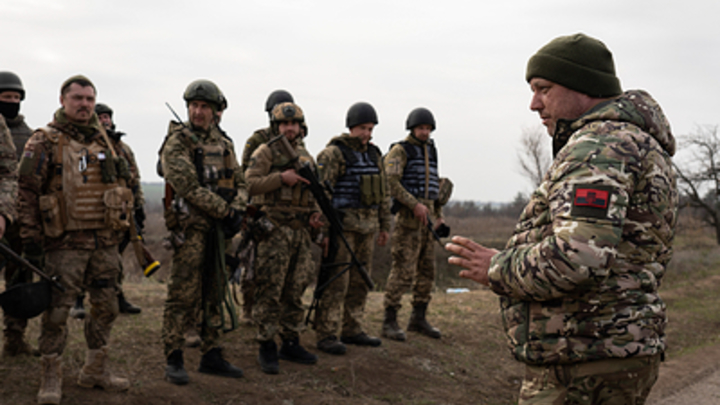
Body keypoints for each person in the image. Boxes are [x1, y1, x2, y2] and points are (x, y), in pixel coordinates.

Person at [445, 33, 677, 405]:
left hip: (583, 357)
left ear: (582, 86)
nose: (534, 104)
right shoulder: (640, 144)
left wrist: (497, 267)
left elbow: (577, 257)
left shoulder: (599, 147)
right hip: (616, 351)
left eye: (544, 88)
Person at [18, 75, 131, 404]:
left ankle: (95, 370)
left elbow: (124, 185)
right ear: (63, 100)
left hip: (104, 242)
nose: (85, 105)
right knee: (56, 313)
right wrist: (31, 238)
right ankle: (51, 375)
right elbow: (26, 192)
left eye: (90, 99)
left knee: (107, 307)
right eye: (78, 98)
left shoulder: (106, 142)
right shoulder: (44, 141)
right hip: (63, 244)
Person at [159, 79, 247, 385]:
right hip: (192, 229)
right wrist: (226, 211)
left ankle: (212, 353)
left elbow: (240, 181)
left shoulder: (224, 143)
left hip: (219, 231)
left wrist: (239, 207)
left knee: (216, 291)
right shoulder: (178, 142)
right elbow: (187, 185)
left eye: (204, 106)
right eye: (194, 106)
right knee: (182, 294)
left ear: (214, 110)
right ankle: (174, 356)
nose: (198, 112)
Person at [245, 101, 322, 374]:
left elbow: (312, 192)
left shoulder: (306, 156)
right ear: (276, 126)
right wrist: (281, 178)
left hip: (300, 232)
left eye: (294, 124)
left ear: (301, 127)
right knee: (270, 288)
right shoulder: (265, 152)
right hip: (275, 229)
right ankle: (266, 344)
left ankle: (290, 340)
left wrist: (314, 214)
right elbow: (249, 183)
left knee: (296, 287)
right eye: (284, 124)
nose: (290, 128)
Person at [313, 102, 390, 355]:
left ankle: (352, 328)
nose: (367, 134)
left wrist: (384, 225)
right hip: (342, 229)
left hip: (367, 229)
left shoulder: (375, 154)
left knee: (359, 282)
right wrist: (322, 233)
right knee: (337, 281)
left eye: (370, 129)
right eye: (362, 129)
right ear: (351, 127)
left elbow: (383, 192)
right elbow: (321, 195)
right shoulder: (334, 154)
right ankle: (327, 332)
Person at [69, 103, 143, 319]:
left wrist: (138, 208)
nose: (105, 121)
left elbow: (134, 178)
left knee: (114, 260)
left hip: (120, 211)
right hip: (92, 212)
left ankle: (118, 297)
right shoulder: (84, 146)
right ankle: (78, 300)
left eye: (107, 117)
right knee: (85, 258)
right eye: (100, 117)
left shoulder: (122, 148)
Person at [381, 107, 447, 341]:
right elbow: (390, 182)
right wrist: (413, 204)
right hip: (408, 220)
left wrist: (438, 213)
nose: (425, 132)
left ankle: (418, 318)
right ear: (412, 128)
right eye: (421, 128)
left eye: (428, 129)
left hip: (427, 220)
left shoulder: (431, 150)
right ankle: (389, 320)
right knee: (403, 271)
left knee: (427, 270)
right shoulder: (401, 150)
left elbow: (433, 186)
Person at [237, 89, 297, 326]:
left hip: (285, 209)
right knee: (252, 262)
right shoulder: (258, 140)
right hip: (258, 206)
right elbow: (246, 175)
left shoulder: (295, 140)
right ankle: (247, 307)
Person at [0, 71, 33, 357]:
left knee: (19, 280)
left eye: (15, 98)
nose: (11, 102)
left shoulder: (31, 136)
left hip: (17, 221)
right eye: (5, 97)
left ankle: (14, 337)